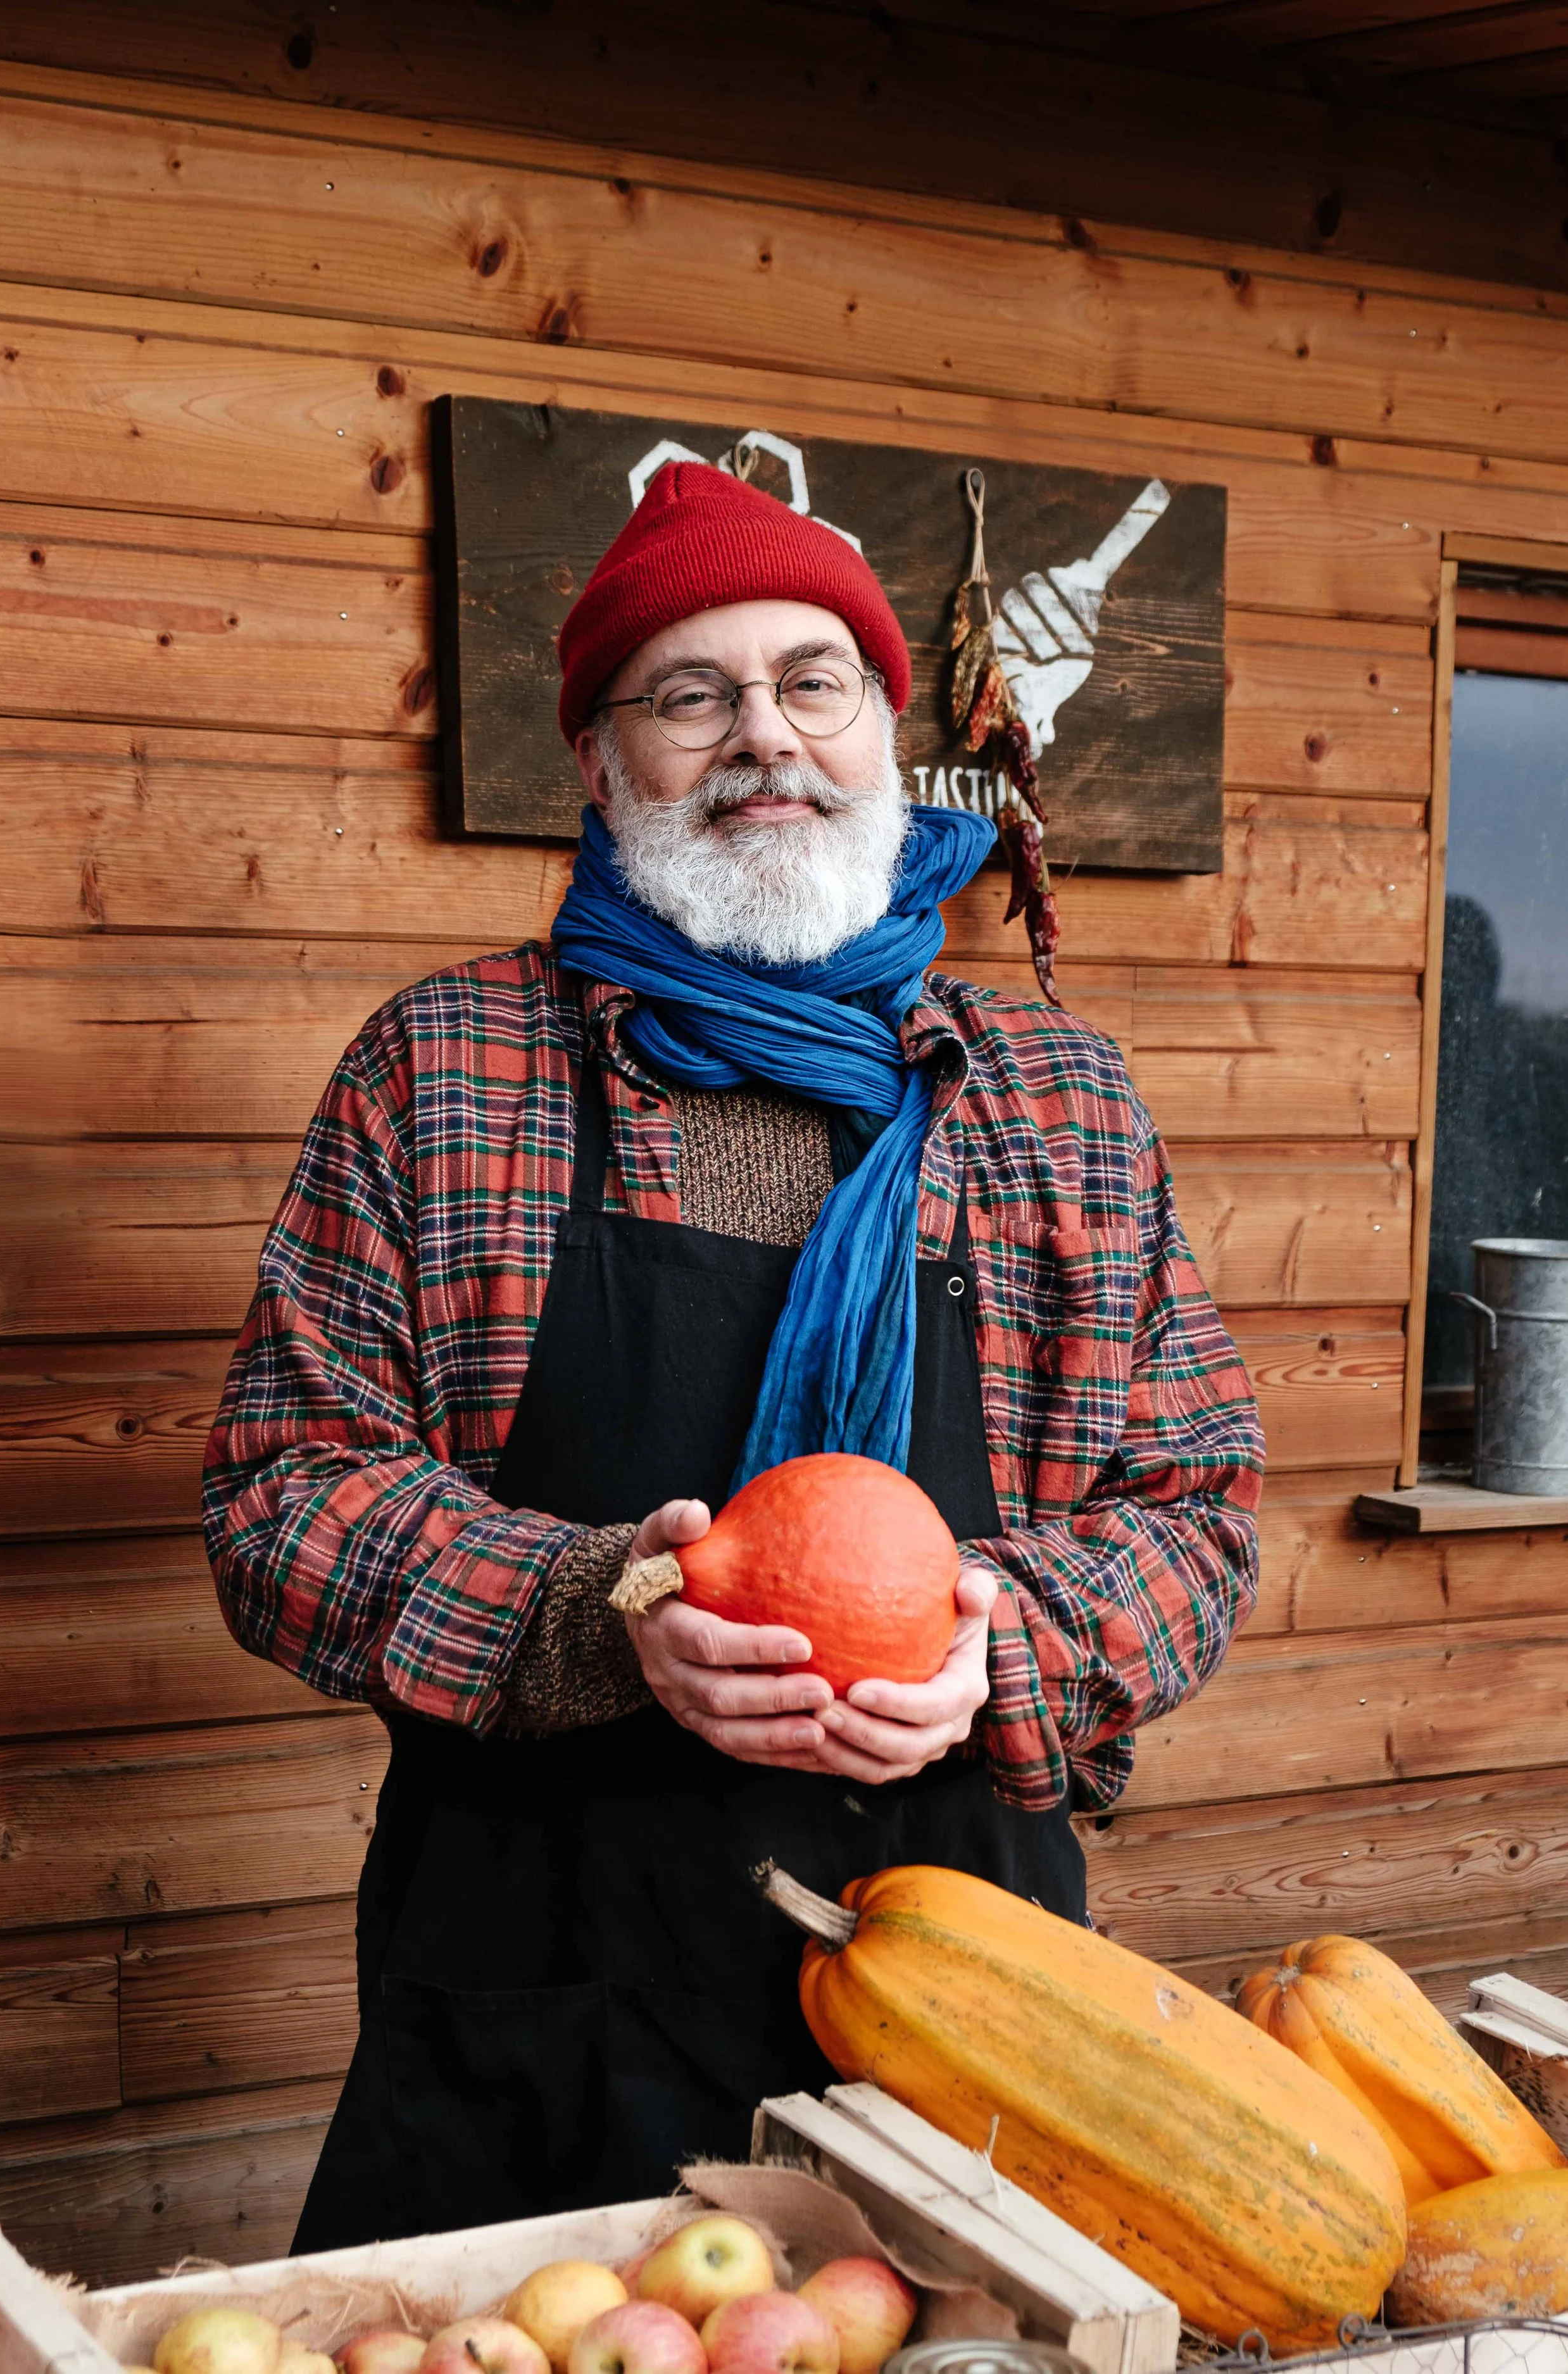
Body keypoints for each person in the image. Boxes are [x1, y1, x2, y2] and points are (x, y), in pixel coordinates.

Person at [203, 462, 1264, 2249]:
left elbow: (1195, 1511)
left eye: (810, 681)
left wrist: (998, 1639)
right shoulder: (448, 1069)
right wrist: (602, 1606)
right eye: (691, 695)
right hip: (545, 1987)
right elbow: (279, 1498)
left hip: (973, 1997)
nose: (762, 736)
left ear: (881, 731)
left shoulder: (1052, 1103)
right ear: (604, 765)